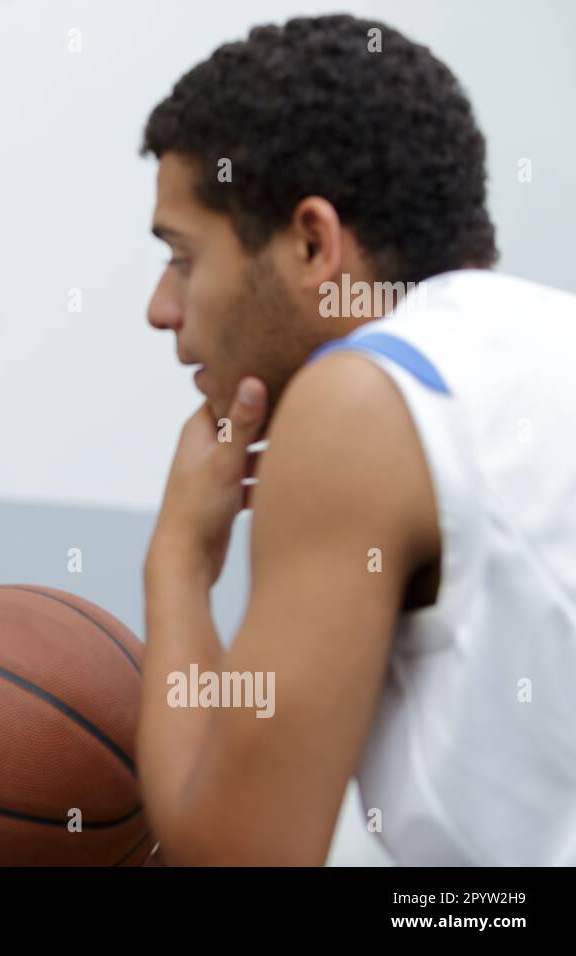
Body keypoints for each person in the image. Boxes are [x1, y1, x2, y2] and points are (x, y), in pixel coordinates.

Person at [136, 14, 576, 865]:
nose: (161, 307)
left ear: (312, 243)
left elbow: (233, 858)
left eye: (183, 258)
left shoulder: (358, 402)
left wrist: (178, 566)